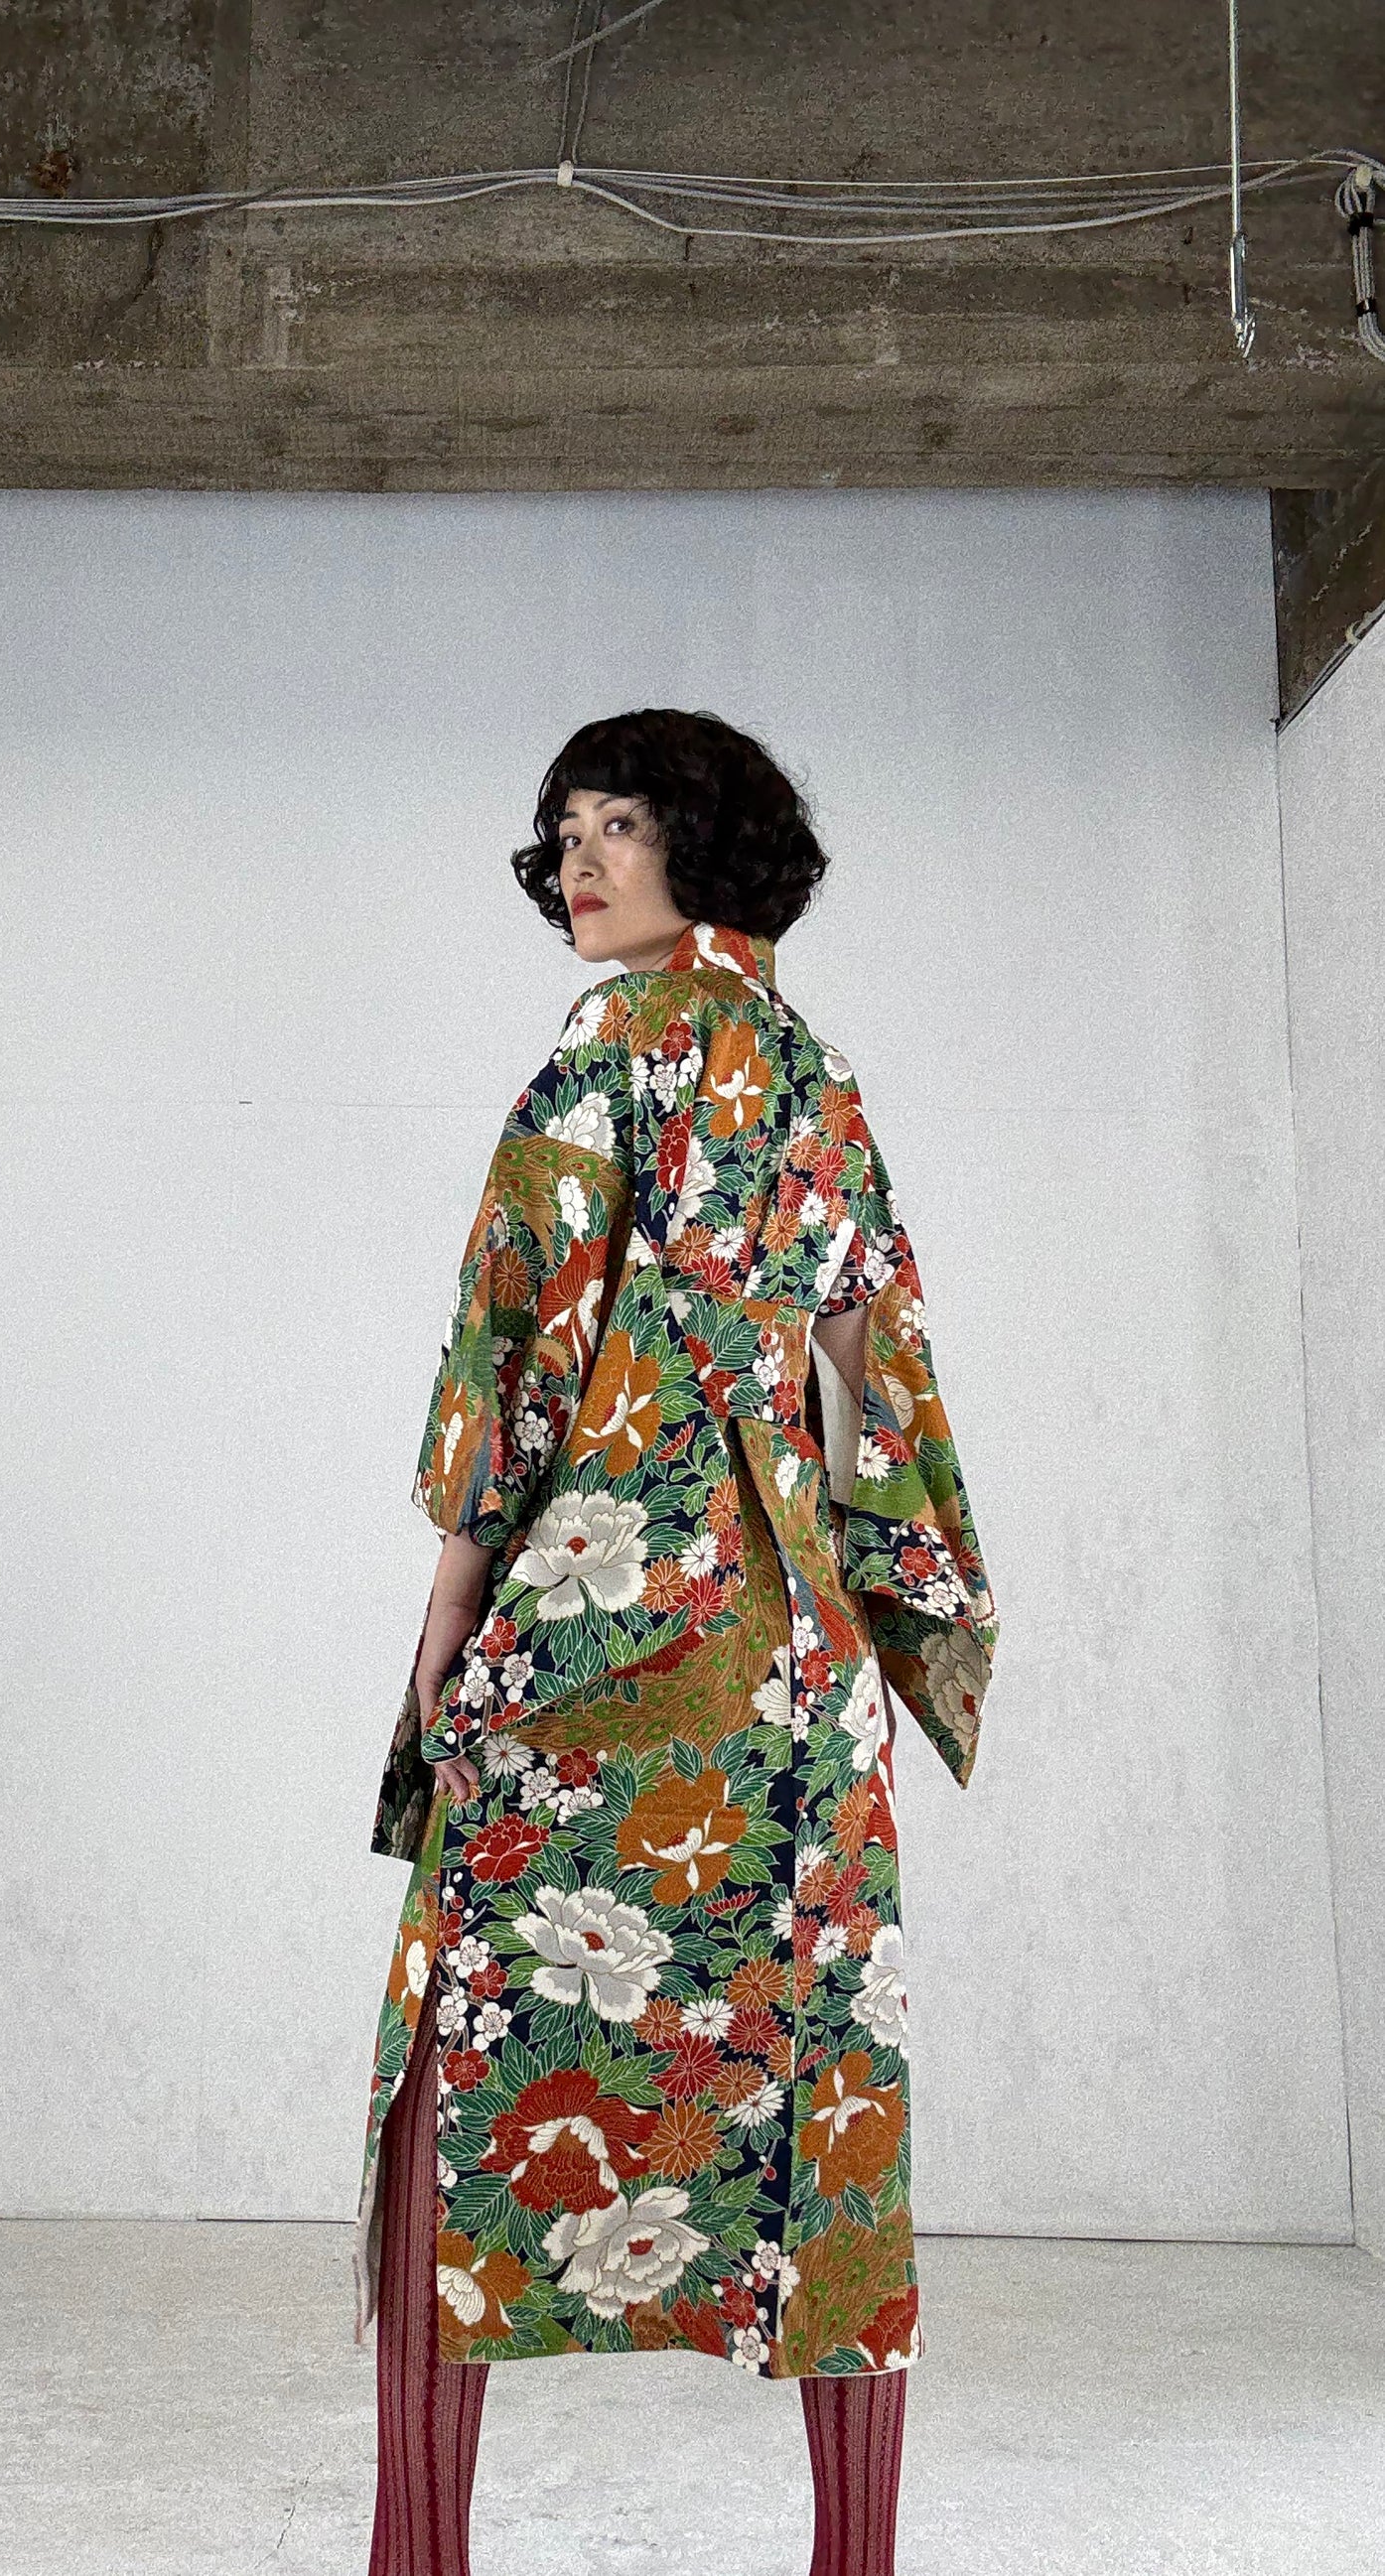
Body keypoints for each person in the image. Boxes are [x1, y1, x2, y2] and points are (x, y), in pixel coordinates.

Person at [354, 708, 999, 2576]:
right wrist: (897, 1615)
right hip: (792, 1654)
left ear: (703, 846)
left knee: (459, 2050)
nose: (579, 862)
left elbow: (519, 1328)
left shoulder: (611, 1039)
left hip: (603, 1619)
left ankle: (416, 2554)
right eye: (564, 830)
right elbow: (878, 1361)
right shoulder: (816, 1071)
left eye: (621, 824)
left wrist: (456, 1594)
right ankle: (854, 2558)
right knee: (820, 2077)